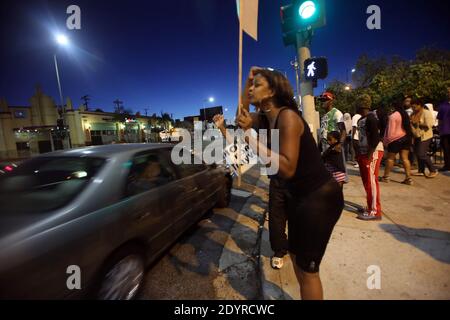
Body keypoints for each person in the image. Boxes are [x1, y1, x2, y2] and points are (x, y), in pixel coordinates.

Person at [214, 67, 344, 300]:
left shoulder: (288, 117)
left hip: (318, 199)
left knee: (308, 271)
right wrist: (247, 79)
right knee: (295, 258)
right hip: (298, 196)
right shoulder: (265, 118)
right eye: (251, 86)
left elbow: (286, 167)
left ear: (273, 91)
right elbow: (241, 115)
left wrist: (252, 142)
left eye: (257, 85)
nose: (252, 89)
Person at [354, 94, 384, 221]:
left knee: (371, 181)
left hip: (372, 153)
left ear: (361, 105)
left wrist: (369, 155)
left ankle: (375, 211)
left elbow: (376, 138)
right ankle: (370, 205)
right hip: (364, 153)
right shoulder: (362, 119)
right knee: (367, 181)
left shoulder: (371, 118)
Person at [381, 98, 414, 185]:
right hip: (406, 138)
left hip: (395, 139)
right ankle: (408, 178)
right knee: (405, 159)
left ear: (393, 107)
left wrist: (386, 142)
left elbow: (390, 131)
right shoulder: (405, 114)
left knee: (390, 159)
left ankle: (386, 177)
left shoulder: (393, 116)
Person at [410, 100, 438, 178]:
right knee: (418, 154)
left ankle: (433, 170)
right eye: (412, 106)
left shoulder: (426, 112)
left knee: (421, 154)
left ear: (419, 105)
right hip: (416, 136)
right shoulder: (413, 113)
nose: (413, 108)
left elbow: (429, 124)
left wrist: (418, 123)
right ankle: (421, 171)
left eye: (414, 106)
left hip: (425, 136)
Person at [437, 86, 450, 172]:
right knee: (446, 149)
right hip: (445, 131)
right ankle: (447, 165)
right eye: (448, 92)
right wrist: (439, 129)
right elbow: (440, 119)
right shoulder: (443, 105)